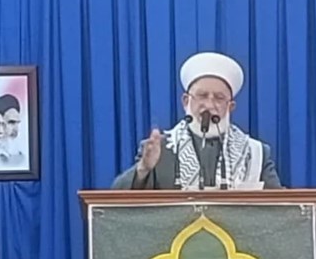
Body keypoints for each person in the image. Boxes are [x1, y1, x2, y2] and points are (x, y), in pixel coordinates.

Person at [112, 51, 283, 190]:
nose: (209, 104)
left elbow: (280, 207)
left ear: (230, 107)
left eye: (219, 98)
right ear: (186, 101)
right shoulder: (160, 149)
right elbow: (117, 201)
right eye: (202, 96)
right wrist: (143, 169)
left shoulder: (255, 153)